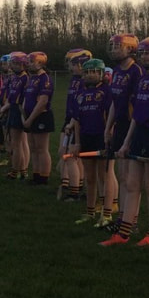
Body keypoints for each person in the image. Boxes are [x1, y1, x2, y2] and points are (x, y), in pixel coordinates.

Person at [101, 35, 149, 247]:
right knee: (133, 184)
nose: (144, 57)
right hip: (138, 135)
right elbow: (136, 115)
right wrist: (126, 142)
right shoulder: (144, 79)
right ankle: (123, 233)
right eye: (142, 53)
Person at [102, 34, 143, 230]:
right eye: (112, 46)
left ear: (130, 48)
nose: (113, 50)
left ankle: (130, 221)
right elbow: (114, 102)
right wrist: (108, 127)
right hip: (119, 125)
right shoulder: (117, 71)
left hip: (132, 126)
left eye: (117, 46)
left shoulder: (136, 71)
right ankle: (123, 219)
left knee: (130, 178)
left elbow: (137, 106)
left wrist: (129, 135)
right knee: (122, 175)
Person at [69, 58, 111, 226]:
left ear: (101, 73)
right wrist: (77, 143)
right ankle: (90, 211)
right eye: (87, 72)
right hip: (86, 138)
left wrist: (108, 138)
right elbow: (77, 121)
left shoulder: (106, 92)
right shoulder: (80, 94)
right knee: (90, 177)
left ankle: (106, 213)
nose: (90, 75)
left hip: (101, 137)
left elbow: (109, 117)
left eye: (94, 72)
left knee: (103, 177)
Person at [60, 48, 92, 202]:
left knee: (71, 157)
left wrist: (72, 123)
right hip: (70, 119)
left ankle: (74, 192)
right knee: (68, 154)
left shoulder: (84, 82)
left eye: (72, 63)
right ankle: (77, 185)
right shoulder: (74, 79)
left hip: (76, 121)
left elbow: (80, 106)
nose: (70, 66)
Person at [21, 51, 54, 185]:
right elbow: (26, 97)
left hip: (41, 116)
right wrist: (25, 115)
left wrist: (30, 119)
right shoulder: (32, 78)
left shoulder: (45, 79)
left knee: (41, 148)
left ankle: (44, 177)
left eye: (31, 62)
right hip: (29, 116)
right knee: (33, 147)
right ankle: (36, 175)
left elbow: (42, 102)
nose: (28, 64)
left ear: (40, 63)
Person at [0, 52, 29, 179]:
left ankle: (18, 171)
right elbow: (11, 97)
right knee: (16, 143)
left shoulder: (25, 78)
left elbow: (22, 99)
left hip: (19, 110)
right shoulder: (16, 77)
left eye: (16, 64)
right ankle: (20, 170)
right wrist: (2, 110)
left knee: (18, 143)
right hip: (12, 109)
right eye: (13, 63)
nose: (13, 66)